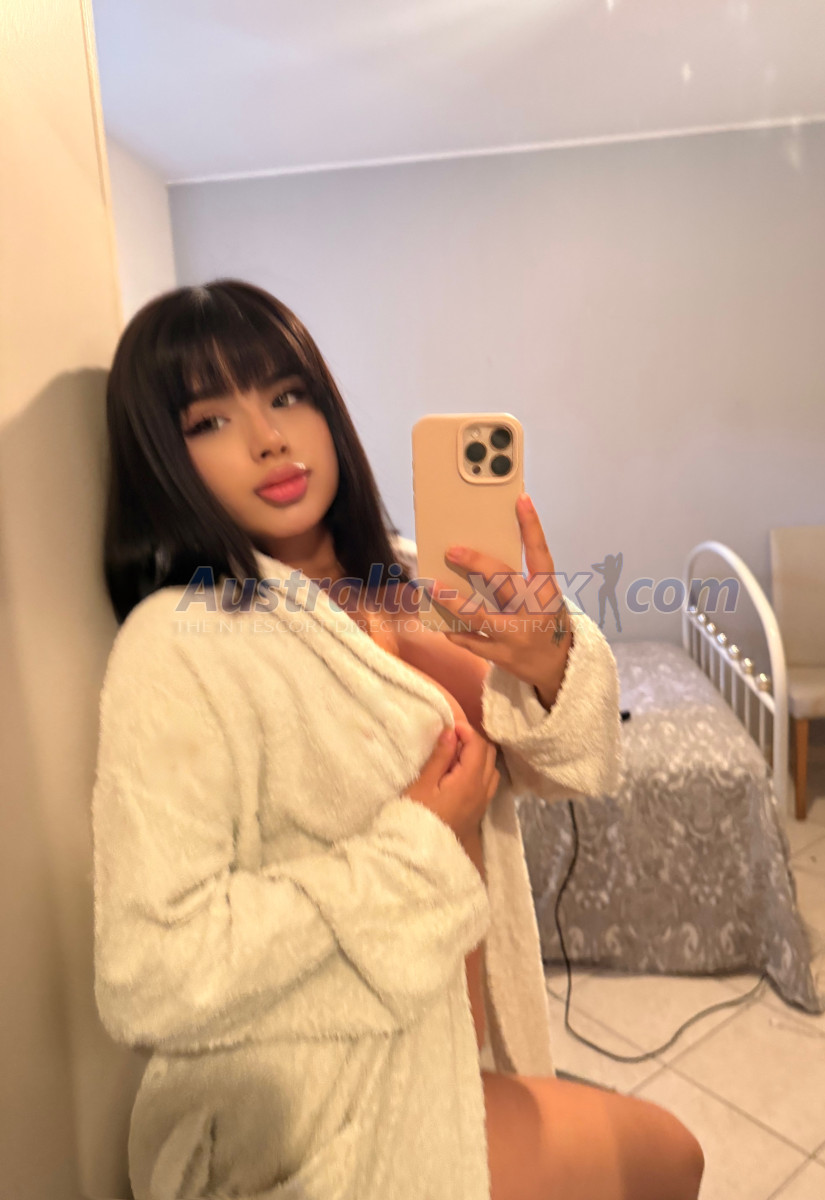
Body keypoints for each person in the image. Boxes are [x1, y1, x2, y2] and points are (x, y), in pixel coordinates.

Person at [91, 278, 704, 1200]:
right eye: (209, 420)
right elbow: (151, 972)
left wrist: (552, 663)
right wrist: (416, 839)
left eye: (286, 395)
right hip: (333, 1098)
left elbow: (569, 763)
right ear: (162, 459)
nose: (268, 438)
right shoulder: (179, 640)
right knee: (670, 1157)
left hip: (456, 1044)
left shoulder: (411, 575)